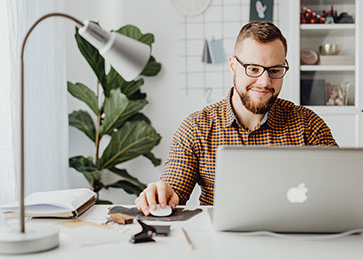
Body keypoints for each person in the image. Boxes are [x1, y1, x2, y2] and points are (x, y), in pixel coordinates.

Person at [135, 21, 338, 215]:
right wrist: (162, 194)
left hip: (292, 239)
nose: (264, 82)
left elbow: (340, 186)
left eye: (275, 70)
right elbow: (174, 188)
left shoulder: (308, 124)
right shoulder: (196, 127)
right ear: (233, 65)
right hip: (220, 243)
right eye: (253, 69)